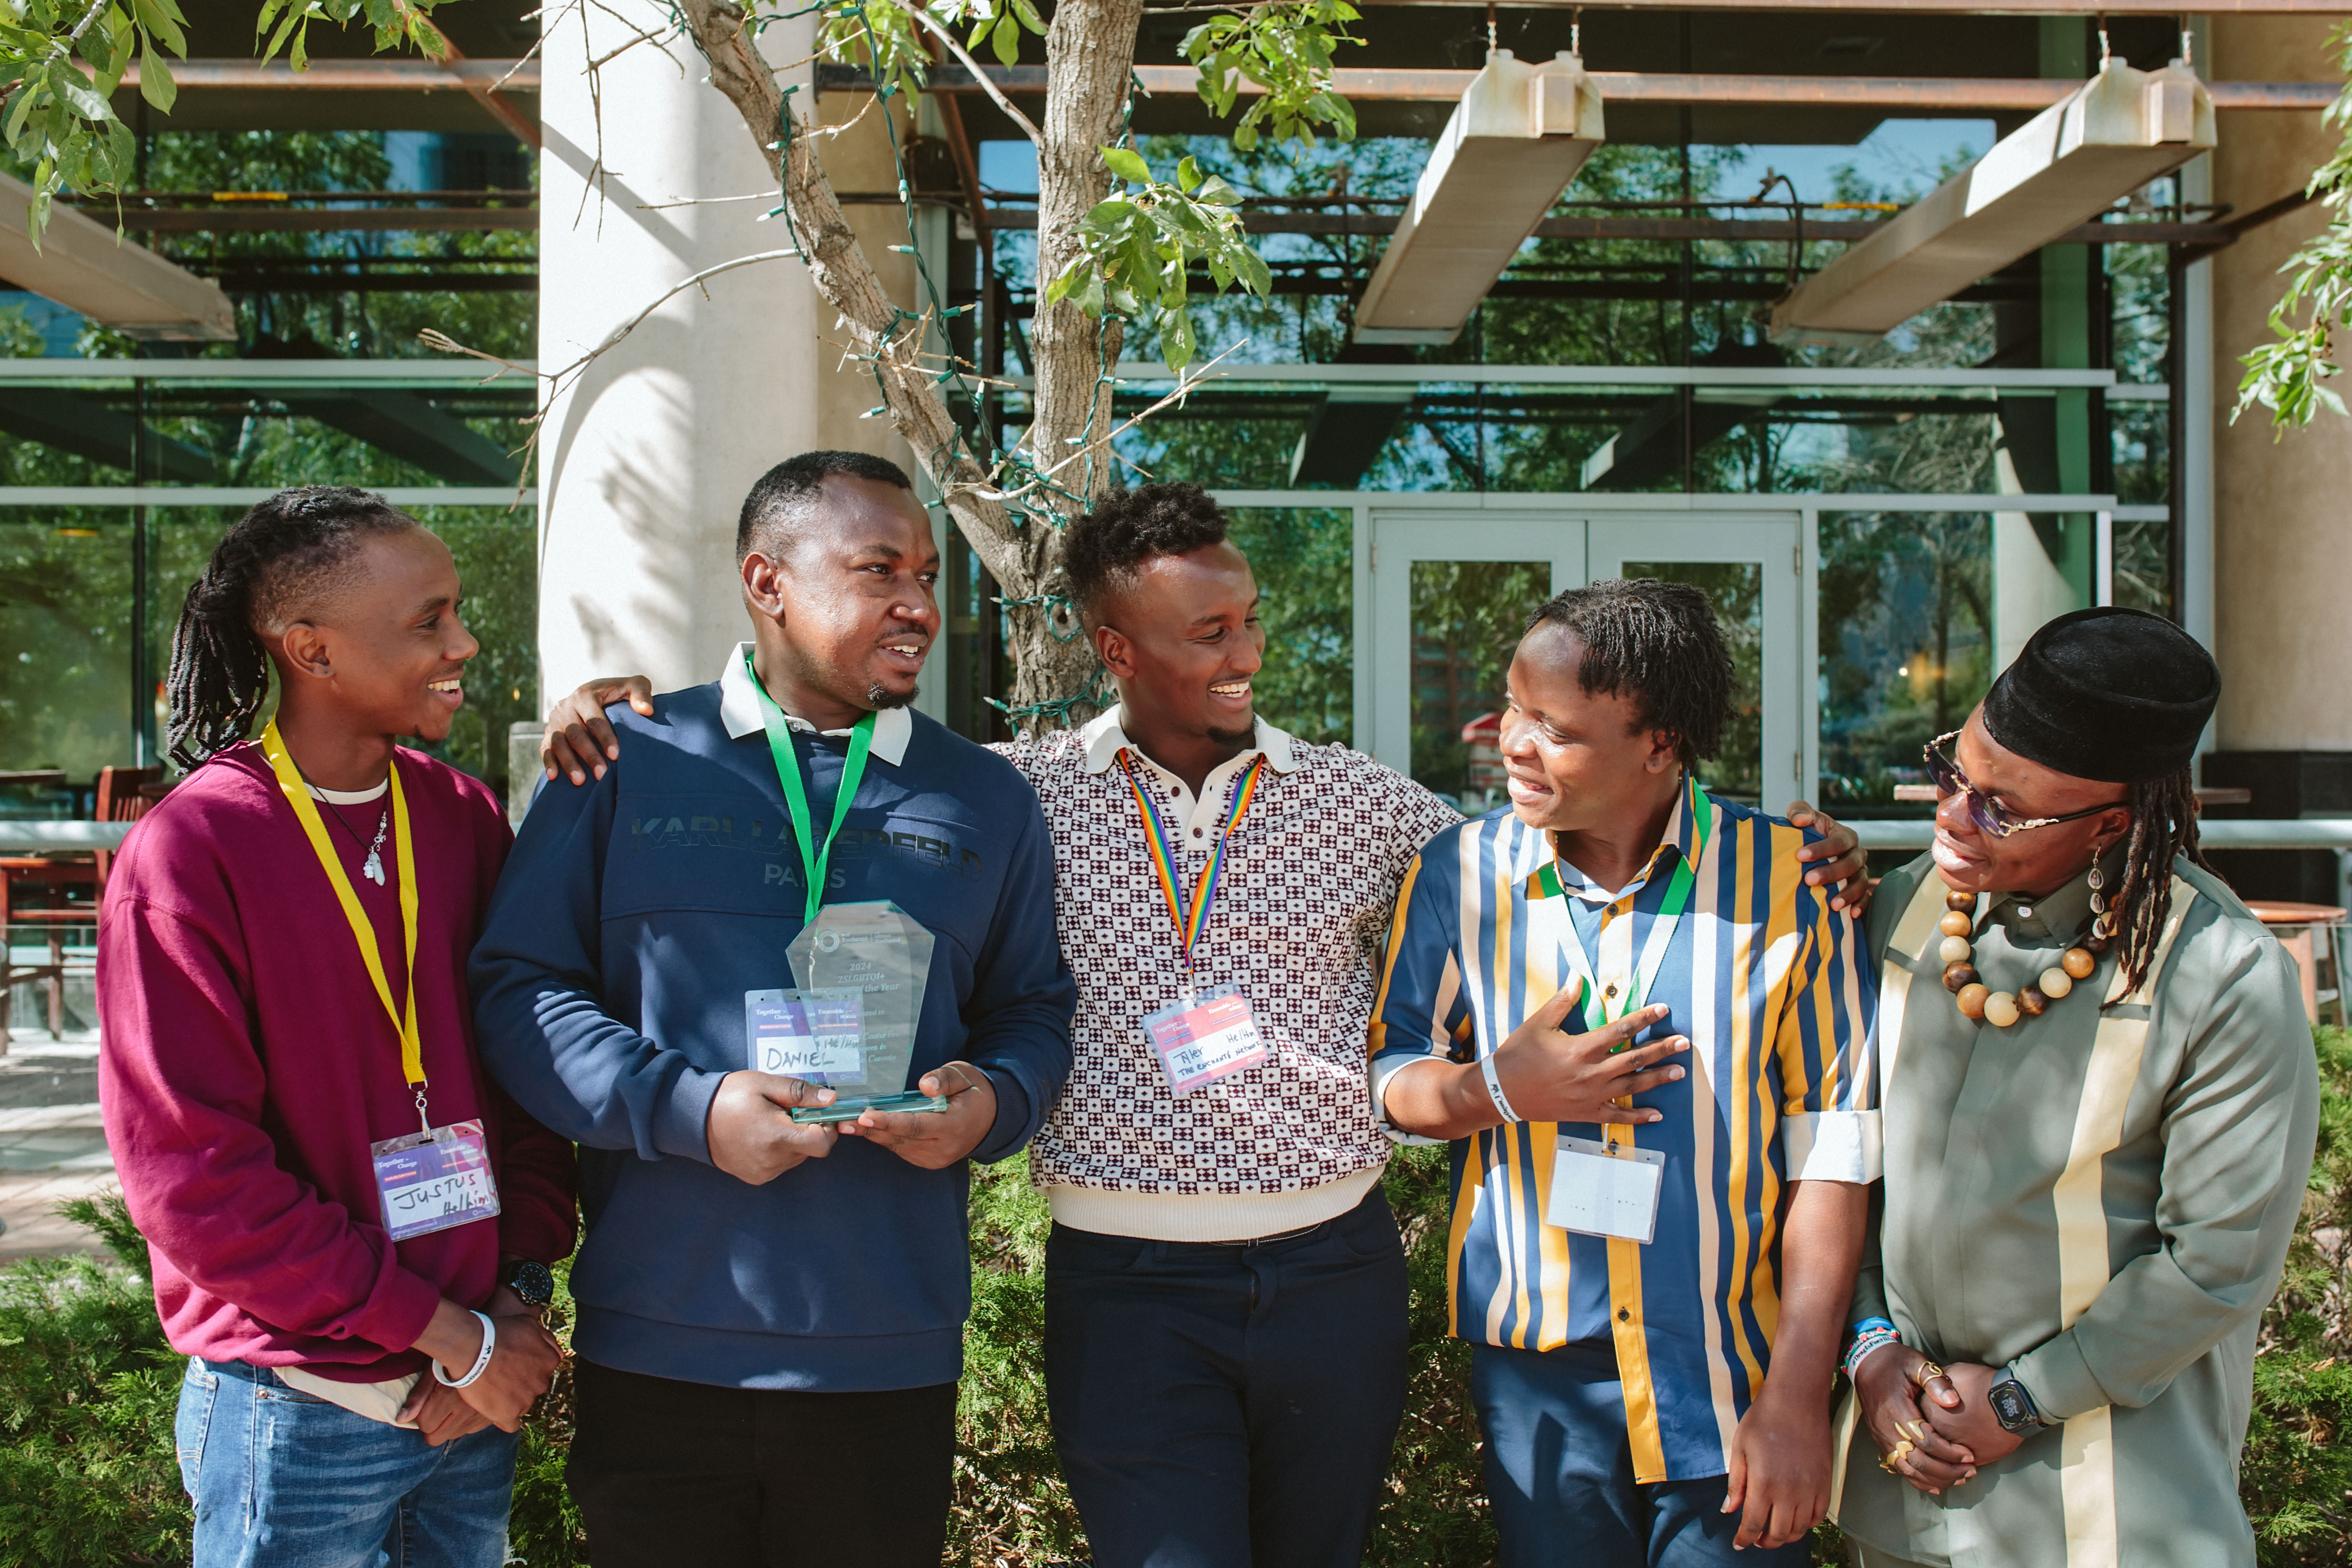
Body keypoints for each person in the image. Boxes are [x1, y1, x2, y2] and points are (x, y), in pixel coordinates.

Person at [539, 484, 1877, 1567]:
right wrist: (620, 714)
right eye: (1207, 632)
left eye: (1247, 621)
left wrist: (1807, 851)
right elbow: (823, 788)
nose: (1244, 654)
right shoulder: (1011, 796)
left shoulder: (1370, 805)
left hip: (1332, 1273)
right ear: (1116, 646)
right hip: (1124, 1287)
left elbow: (1550, 860)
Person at [469, 449, 1075, 1568]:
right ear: (767, 582)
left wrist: (990, 1102)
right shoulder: (623, 758)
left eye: (929, 574)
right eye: (878, 569)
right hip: (660, 1341)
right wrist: (690, 1111)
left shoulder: (986, 794)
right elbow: (518, 991)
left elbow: (1034, 1008)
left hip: (886, 1350)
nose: (920, 606)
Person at [98, 486, 575, 1568]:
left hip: (468, 1391)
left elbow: (520, 1066)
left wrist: (514, 1296)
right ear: (310, 648)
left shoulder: (458, 813)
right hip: (301, 1408)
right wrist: (448, 1336)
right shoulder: (192, 850)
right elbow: (196, 1182)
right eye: (428, 621)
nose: (464, 641)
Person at [1373, 578, 1880, 1568]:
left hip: (1736, 1374)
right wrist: (1497, 1089)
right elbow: (1390, 1072)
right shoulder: (1459, 875)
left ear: (1658, 743)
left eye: (1552, 726)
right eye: (1514, 707)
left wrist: (1796, 1396)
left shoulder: (1793, 884)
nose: (1512, 741)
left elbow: (1834, 1148)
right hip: (1539, 1380)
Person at [1829, 607, 2319, 1568]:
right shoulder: (1905, 908)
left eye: (2001, 808)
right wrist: (1870, 1347)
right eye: (1952, 772)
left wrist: (2020, 1399)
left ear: (2112, 821)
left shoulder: (2218, 975)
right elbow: (1844, 1163)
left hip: (2110, 1511)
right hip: (1900, 1495)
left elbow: (2215, 1261)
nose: (1952, 818)